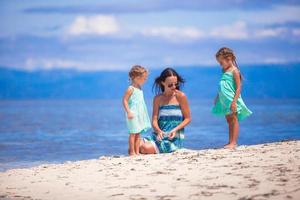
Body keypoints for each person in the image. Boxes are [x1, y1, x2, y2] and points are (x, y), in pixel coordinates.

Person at [140, 68, 191, 154]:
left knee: (144, 148)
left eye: (176, 84)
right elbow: (154, 120)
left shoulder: (181, 96)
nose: (174, 87)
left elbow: (188, 118)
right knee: (136, 144)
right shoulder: (157, 99)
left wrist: (175, 130)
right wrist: (158, 131)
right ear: (162, 83)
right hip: (159, 135)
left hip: (173, 138)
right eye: (170, 85)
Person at [212, 47, 252, 149]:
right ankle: (230, 141)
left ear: (229, 58)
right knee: (228, 120)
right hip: (224, 100)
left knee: (234, 119)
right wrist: (217, 97)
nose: (220, 64)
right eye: (219, 62)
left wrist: (234, 102)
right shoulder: (224, 70)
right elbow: (222, 86)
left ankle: (234, 142)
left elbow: (238, 87)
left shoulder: (235, 71)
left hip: (231, 99)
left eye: (221, 62)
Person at [122, 65, 151, 156]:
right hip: (132, 114)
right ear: (137, 78)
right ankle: (132, 152)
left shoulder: (139, 88)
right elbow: (124, 100)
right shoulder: (131, 89)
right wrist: (128, 112)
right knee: (133, 133)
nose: (145, 80)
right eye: (144, 78)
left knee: (138, 133)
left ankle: (137, 151)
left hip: (139, 114)